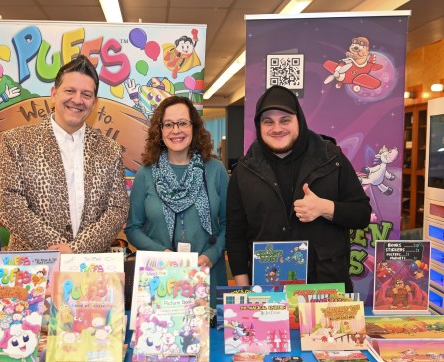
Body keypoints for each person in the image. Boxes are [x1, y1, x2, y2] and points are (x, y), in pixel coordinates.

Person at [226, 85, 371, 291]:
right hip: (268, 289)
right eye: (268, 122)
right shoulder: (245, 169)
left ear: (299, 121)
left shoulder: (331, 158)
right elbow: (235, 234)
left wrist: (325, 208)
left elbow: (362, 215)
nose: (277, 128)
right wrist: (243, 289)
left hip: (325, 287)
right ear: (259, 126)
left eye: (285, 120)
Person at [0, 55, 128, 254]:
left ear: (94, 102)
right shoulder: (16, 142)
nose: (77, 100)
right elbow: (8, 204)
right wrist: (56, 249)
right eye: (70, 91)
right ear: (54, 93)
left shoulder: (110, 149)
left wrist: (76, 250)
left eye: (86, 94)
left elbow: (117, 209)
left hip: (89, 269)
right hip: (34, 267)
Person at [125, 96, 228, 301]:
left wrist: (212, 254)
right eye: (169, 124)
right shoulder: (146, 174)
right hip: (161, 278)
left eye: (182, 123)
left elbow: (230, 224)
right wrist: (163, 254)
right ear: (160, 130)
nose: (176, 130)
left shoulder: (216, 170)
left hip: (208, 274)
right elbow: (132, 229)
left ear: (194, 127)